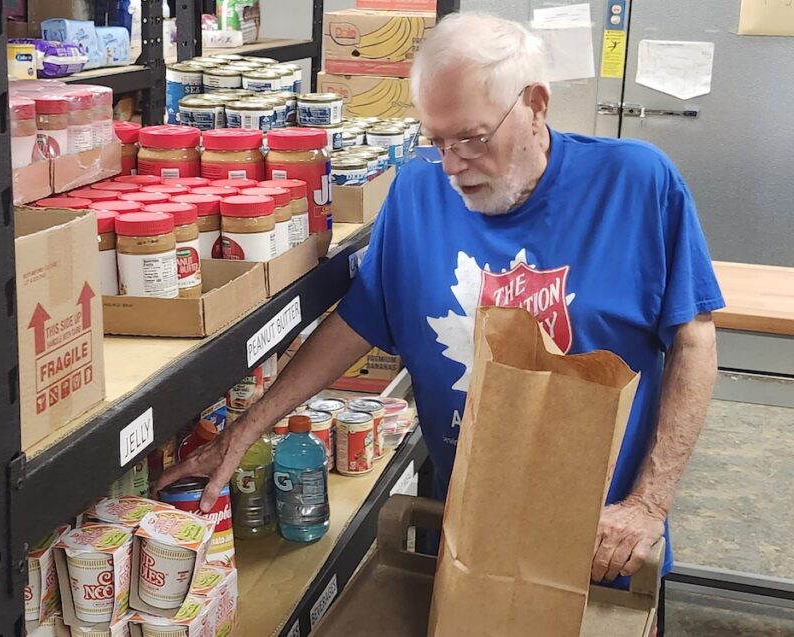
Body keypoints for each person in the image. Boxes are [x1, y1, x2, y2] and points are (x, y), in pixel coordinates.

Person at [156, 12, 723, 635]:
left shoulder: (637, 183)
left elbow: (693, 340)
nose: (452, 165)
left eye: (473, 139)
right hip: (466, 537)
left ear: (535, 104)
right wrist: (242, 433)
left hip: (602, 543)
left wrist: (648, 504)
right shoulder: (417, 191)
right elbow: (360, 324)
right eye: (436, 140)